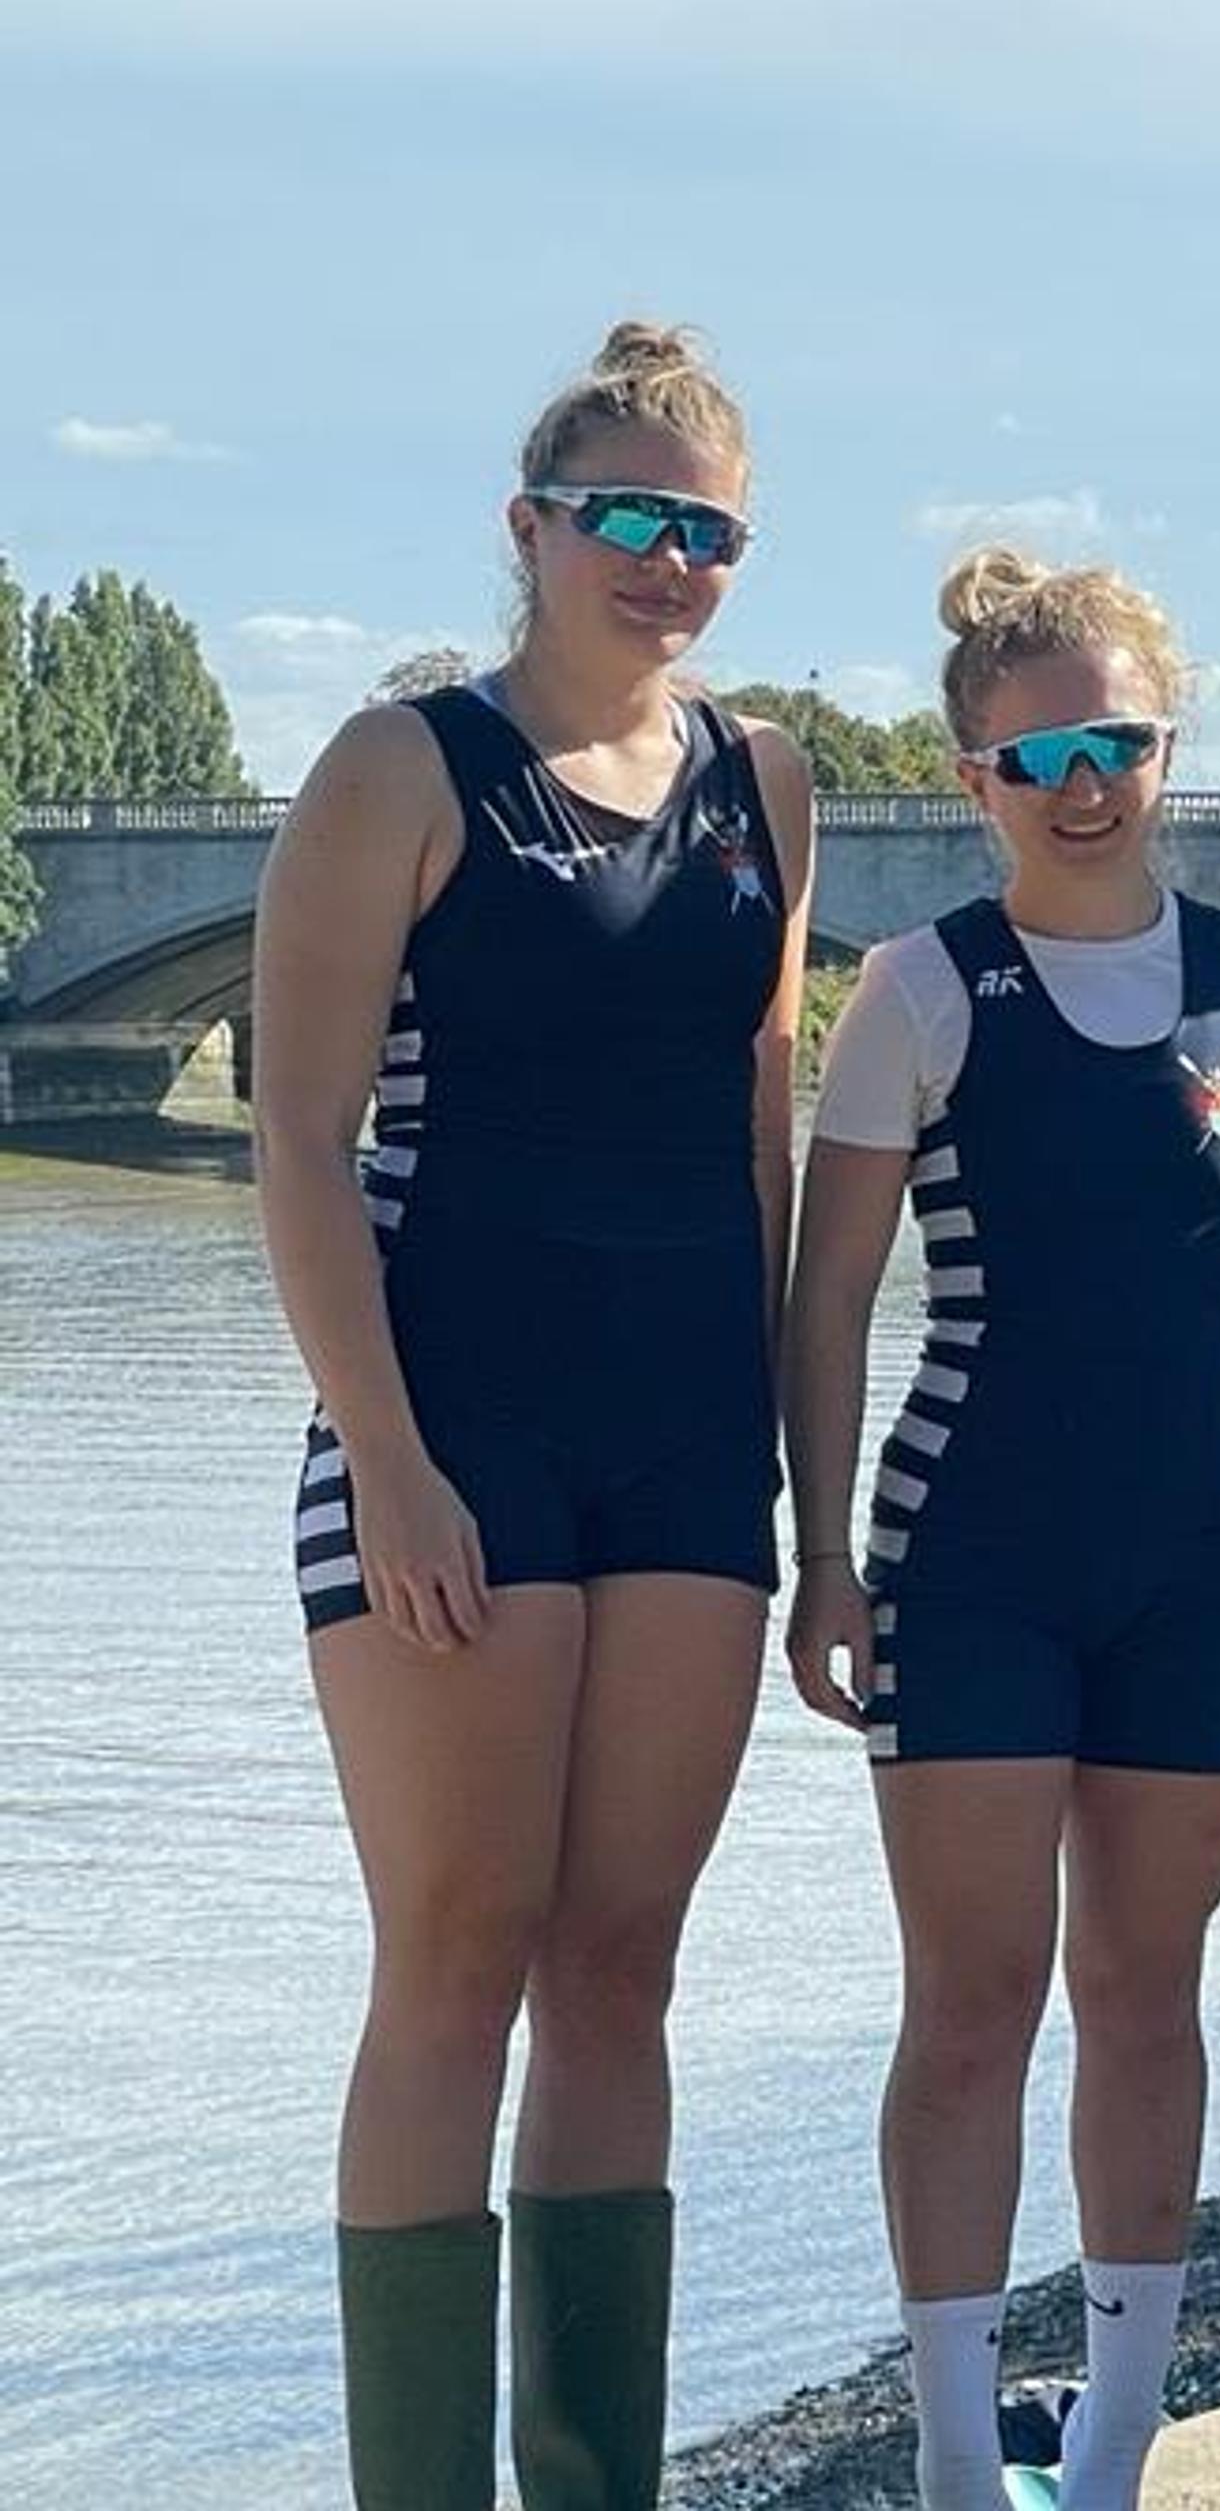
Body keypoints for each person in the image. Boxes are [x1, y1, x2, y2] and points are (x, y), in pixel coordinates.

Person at [252, 322, 813, 2509]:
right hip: (446, 1424)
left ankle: (597, 2485)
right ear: (533, 529)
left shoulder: (758, 784)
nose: (669, 562)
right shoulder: (402, 769)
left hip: (685, 1435)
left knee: (620, 1965)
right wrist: (387, 1460)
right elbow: (299, 1144)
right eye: (631, 519)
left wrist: (783, 1447)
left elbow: (755, 1115)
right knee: (459, 1952)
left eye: (711, 531)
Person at [779, 549, 1220, 2511]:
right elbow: (833, 1293)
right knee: (972, 2008)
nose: (1084, 781)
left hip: (1201, 1556)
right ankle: (958, 2457)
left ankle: (1108, 2458)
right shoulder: (923, 991)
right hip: (974, 1557)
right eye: (1039, 756)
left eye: (1116, 740)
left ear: (1167, 743)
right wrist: (827, 1557)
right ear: (973, 779)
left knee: (1146, 1998)